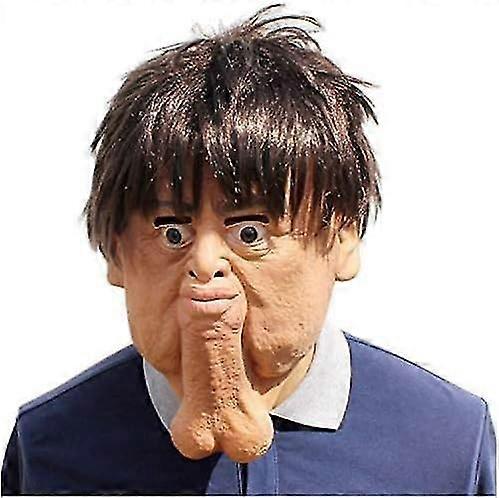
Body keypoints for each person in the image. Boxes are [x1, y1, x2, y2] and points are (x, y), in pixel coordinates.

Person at [1, 4, 495, 495]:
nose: (205, 264)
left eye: (251, 232)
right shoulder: (52, 446)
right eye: (172, 232)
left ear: (343, 237)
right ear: (115, 253)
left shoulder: (445, 440)